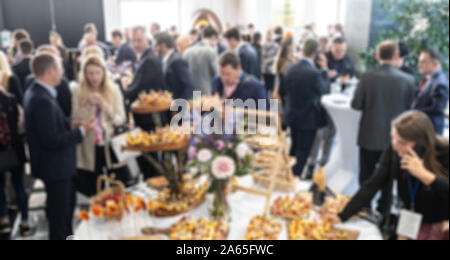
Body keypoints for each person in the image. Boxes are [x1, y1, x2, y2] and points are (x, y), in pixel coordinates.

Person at [339, 111, 449, 240]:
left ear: (421, 143)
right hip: (410, 218)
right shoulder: (394, 152)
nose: (395, 146)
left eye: (402, 142)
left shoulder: (444, 154)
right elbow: (372, 185)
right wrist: (341, 216)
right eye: (393, 138)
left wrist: (424, 175)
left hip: (440, 224)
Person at [24, 53, 96, 240]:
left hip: (53, 167)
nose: (62, 73)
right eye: (60, 68)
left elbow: (51, 123)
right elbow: (52, 139)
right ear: (50, 71)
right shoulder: (42, 100)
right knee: (59, 218)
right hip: (55, 168)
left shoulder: (38, 91)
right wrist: (81, 131)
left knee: (62, 212)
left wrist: (70, 123)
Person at [352, 40, 416, 213]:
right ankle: (383, 210)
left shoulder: (367, 77)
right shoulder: (409, 80)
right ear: (396, 56)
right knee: (388, 178)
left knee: (366, 174)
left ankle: (364, 208)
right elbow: (412, 111)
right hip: (395, 139)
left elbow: (356, 104)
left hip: (369, 134)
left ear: (377, 56)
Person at [72, 55, 130, 197]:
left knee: (118, 185)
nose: (94, 77)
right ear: (85, 74)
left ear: (104, 72)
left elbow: (120, 120)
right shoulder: (78, 91)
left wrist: (106, 108)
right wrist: (87, 104)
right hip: (89, 146)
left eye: (97, 73)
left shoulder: (114, 89)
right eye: (90, 73)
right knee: (94, 188)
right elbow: (75, 118)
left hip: (110, 145)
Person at [122, 26, 165, 180]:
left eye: (139, 40)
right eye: (133, 41)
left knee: (149, 158)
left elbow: (140, 88)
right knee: (148, 157)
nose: (136, 44)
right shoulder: (147, 58)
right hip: (147, 116)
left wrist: (125, 91)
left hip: (149, 117)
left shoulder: (149, 60)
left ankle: (154, 187)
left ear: (147, 40)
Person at [284, 39, 330, 179]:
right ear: (316, 53)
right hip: (308, 118)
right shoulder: (315, 73)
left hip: (292, 114)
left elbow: (283, 90)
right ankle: (294, 177)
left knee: (294, 148)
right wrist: (325, 70)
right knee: (303, 151)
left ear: (303, 50)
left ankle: (287, 175)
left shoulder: (290, 67)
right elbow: (325, 91)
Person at [0, 86, 31, 237]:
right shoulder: (10, 99)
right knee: (19, 185)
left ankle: (4, 219)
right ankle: (25, 222)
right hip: (15, 150)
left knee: (0, 188)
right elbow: (20, 124)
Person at [24, 45, 73, 118]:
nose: (61, 59)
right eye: (57, 56)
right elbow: (67, 111)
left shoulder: (30, 81)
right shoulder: (61, 83)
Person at [413, 49, 449, 136]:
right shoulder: (430, 79)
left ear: (435, 63)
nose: (419, 65)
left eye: (423, 62)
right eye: (419, 61)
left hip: (431, 132)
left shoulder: (440, 83)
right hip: (425, 129)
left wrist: (413, 111)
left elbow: (437, 109)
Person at [154, 32, 195, 100]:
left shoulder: (177, 61)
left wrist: (179, 107)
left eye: (156, 46)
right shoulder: (165, 60)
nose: (155, 48)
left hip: (177, 106)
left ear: (163, 46)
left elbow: (189, 85)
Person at [183, 26, 219, 95]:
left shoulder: (187, 51)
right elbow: (217, 73)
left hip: (191, 92)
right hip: (207, 92)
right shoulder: (211, 51)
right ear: (213, 37)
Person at [273, 37, 296, 109]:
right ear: (289, 46)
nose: (295, 45)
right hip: (283, 95)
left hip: (279, 93)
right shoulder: (288, 62)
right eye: (293, 43)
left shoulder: (280, 58)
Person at [261, 29, 279, 96]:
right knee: (273, 89)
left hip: (264, 69)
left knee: (265, 88)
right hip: (272, 69)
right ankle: (273, 106)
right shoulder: (276, 46)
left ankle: (264, 105)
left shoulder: (263, 45)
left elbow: (262, 58)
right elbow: (276, 58)